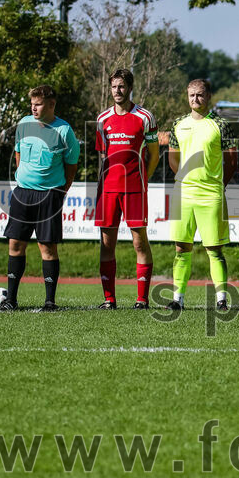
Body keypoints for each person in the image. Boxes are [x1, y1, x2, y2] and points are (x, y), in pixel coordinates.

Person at [4, 85, 80, 311]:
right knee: (15, 244)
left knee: (47, 247)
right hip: (22, 193)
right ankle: (11, 300)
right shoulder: (24, 124)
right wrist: (24, 178)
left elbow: (71, 165)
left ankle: (49, 302)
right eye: (32, 104)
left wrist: (60, 192)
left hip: (49, 195)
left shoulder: (64, 130)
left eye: (38, 104)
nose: (33, 108)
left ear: (51, 104)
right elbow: (18, 154)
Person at [167, 79, 238, 310]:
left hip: (211, 194)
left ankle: (221, 299)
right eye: (191, 95)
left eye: (199, 94)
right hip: (183, 194)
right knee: (181, 249)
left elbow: (231, 161)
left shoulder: (221, 124)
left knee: (214, 250)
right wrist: (185, 178)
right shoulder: (178, 123)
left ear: (208, 96)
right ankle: (177, 299)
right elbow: (173, 159)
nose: (195, 99)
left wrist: (218, 184)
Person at [95, 69, 159, 309]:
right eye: (114, 87)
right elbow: (103, 156)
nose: (117, 91)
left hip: (134, 188)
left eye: (121, 86)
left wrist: (143, 179)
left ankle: (142, 299)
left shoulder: (145, 117)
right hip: (108, 190)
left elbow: (154, 155)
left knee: (139, 243)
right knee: (106, 243)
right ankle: (109, 299)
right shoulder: (102, 119)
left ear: (130, 88)